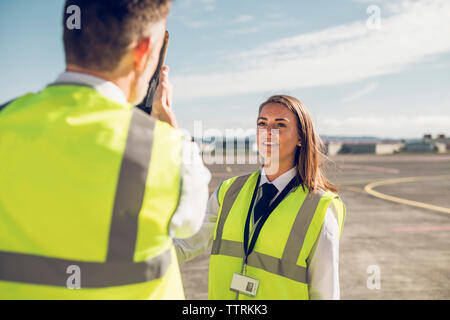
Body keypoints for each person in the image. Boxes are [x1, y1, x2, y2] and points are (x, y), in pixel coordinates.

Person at [0, 0, 210, 299]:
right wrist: (167, 130)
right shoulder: (169, 152)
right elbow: (191, 224)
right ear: (142, 52)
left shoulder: (5, 120)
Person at [175, 95, 346, 300]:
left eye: (280, 125)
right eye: (262, 124)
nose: (268, 132)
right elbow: (183, 245)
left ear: (301, 137)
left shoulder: (319, 207)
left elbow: (326, 293)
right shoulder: (229, 192)